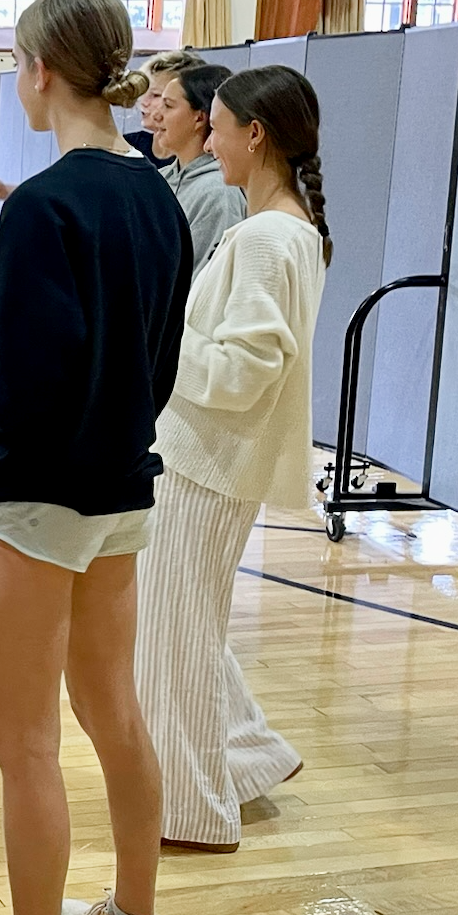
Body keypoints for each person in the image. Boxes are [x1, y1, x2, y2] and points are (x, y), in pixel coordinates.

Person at [0, 0, 193, 915]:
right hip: (122, 485)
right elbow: (152, 362)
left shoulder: (39, 206)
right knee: (112, 712)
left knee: (24, 744)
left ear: (38, 69)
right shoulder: (159, 197)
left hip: (35, 496)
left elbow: (30, 374)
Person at [136, 66, 330, 852]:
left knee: (169, 637)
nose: (207, 140)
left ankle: (188, 809)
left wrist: (161, 335)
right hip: (206, 457)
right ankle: (247, 757)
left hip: (206, 460)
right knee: (187, 627)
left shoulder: (265, 238)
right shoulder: (284, 230)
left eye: (214, 127)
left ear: (256, 134)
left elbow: (247, 370)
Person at [152, 63, 246, 270]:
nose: (156, 116)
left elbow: (203, 283)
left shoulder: (218, 193)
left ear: (200, 117)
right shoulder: (157, 180)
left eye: (168, 106)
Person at [127, 49, 198, 169]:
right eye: (144, 93)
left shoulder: (194, 160)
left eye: (155, 95)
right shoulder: (128, 145)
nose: (144, 103)